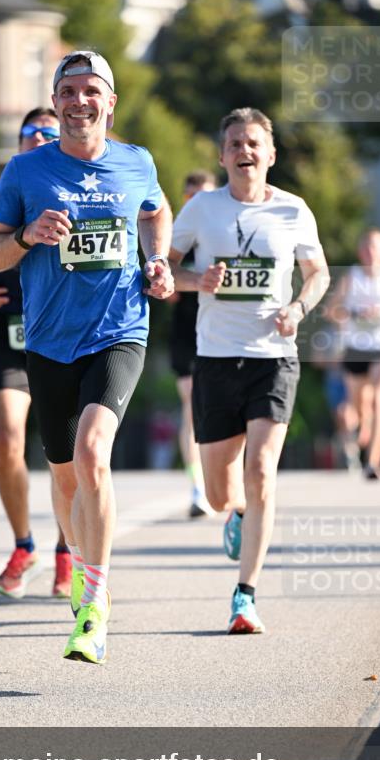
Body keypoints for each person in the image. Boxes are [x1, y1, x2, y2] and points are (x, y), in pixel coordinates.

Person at [0, 50, 174, 663]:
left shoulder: (136, 162)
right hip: (47, 339)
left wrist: (158, 259)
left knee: (92, 453)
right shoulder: (25, 171)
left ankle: (95, 600)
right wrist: (26, 236)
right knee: (64, 477)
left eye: (92, 91)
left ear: (110, 103)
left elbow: (156, 211)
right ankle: (81, 567)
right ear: (56, 100)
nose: (79, 101)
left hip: (119, 332)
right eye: (68, 91)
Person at [169, 107, 329, 635]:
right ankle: (235, 514)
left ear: (270, 154)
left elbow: (318, 273)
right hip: (215, 359)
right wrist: (199, 281)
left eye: (254, 143)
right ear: (222, 155)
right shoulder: (201, 209)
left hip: (273, 358)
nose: (245, 151)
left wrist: (299, 309)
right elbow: (165, 271)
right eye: (235, 143)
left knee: (261, 471)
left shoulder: (293, 211)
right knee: (219, 494)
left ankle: (245, 596)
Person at [0, 109, 71, 599]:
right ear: (21, 141)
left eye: (52, 132)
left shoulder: (75, 188)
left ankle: (69, 550)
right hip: (9, 335)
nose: (44, 138)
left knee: (63, 452)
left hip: (64, 336)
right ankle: (24, 544)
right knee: (7, 440)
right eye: (35, 133)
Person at [326, 229, 380, 480]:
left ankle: (373, 462)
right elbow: (331, 310)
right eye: (367, 247)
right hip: (356, 347)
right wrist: (354, 314)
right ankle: (363, 423)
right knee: (360, 406)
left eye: (376, 247)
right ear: (361, 252)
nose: (371, 253)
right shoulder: (351, 276)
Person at [169, 170, 216, 516]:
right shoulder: (176, 237)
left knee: (224, 411)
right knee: (191, 408)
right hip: (187, 333)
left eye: (204, 196)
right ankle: (197, 487)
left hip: (224, 332)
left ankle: (226, 484)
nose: (197, 203)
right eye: (190, 198)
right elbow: (164, 288)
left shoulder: (226, 235)